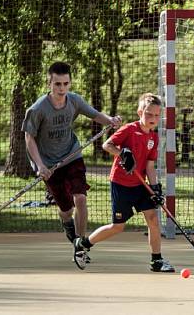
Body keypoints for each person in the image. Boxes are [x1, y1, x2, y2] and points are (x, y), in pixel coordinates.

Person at [22, 61, 122, 260]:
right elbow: (29, 138)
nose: (62, 89)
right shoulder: (38, 109)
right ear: (49, 83)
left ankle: (80, 242)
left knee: (81, 197)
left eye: (65, 84)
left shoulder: (74, 101)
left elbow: (95, 115)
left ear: (70, 83)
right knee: (66, 210)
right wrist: (40, 165)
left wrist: (111, 121)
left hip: (72, 155)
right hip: (50, 164)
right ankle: (68, 224)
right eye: (57, 84)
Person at [72, 93, 175, 272]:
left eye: (157, 115)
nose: (153, 118)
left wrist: (155, 188)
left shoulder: (154, 137)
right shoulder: (129, 129)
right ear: (139, 112)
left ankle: (156, 260)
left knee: (153, 219)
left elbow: (150, 166)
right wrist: (122, 153)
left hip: (140, 184)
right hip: (121, 183)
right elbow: (107, 145)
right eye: (149, 114)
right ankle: (83, 244)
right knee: (118, 226)